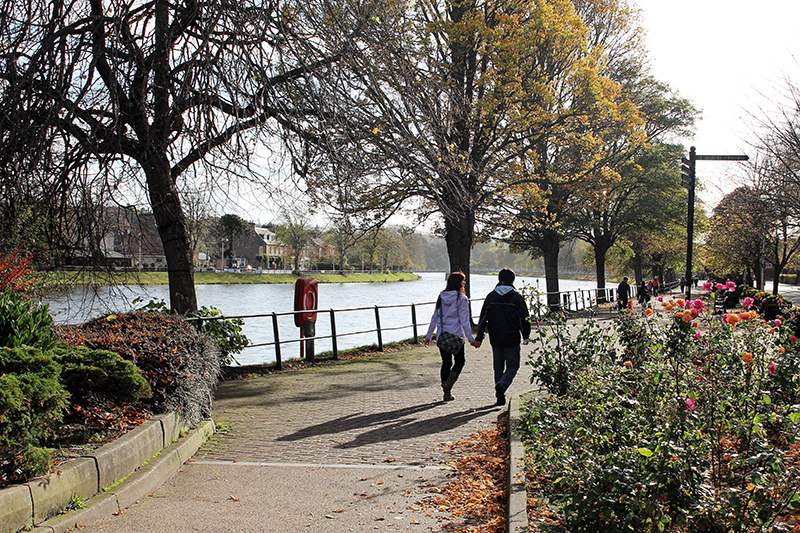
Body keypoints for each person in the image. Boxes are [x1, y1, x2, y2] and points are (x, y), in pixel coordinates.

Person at [474, 268, 531, 407]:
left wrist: (479, 337)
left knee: (498, 367)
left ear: (499, 279)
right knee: (513, 365)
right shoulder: (516, 297)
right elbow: (524, 318)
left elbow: (483, 319)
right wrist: (526, 335)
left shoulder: (491, 297)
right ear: (513, 280)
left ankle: (500, 396)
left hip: (495, 337)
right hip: (511, 337)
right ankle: (503, 384)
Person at [424, 272, 479, 401]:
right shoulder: (461, 299)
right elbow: (464, 321)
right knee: (460, 361)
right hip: (456, 336)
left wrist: (428, 335)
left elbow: (434, 318)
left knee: (446, 363)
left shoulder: (441, 297)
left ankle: (446, 391)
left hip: (442, 336)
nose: (464, 283)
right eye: (463, 281)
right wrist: (471, 339)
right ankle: (449, 384)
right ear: (458, 283)